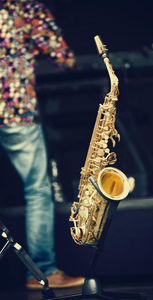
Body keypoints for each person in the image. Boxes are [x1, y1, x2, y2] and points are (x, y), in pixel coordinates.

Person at [0, 0, 85, 289]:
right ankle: (43, 273)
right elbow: (63, 57)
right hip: (15, 108)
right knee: (37, 190)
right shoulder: (25, 7)